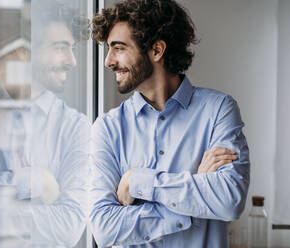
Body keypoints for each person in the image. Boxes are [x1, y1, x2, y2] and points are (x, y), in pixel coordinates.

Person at [89, 0, 250, 247]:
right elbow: (104, 228)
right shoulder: (108, 128)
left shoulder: (218, 110)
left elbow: (228, 201)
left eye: (118, 48)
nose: (108, 61)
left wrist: (138, 181)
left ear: (156, 50)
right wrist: (194, 199)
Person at [0, 2, 90, 247]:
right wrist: (39, 182)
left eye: (72, 49)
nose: (72, 61)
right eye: (60, 48)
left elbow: (68, 227)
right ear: (27, 49)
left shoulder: (75, 127)